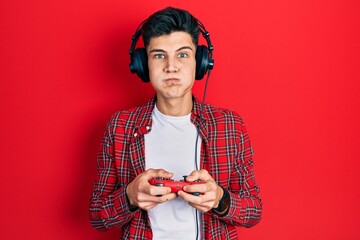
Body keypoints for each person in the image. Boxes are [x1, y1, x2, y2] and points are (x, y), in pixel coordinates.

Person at [89, 6, 262, 239]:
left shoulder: (229, 125)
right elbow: (97, 215)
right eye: (159, 55)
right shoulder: (120, 126)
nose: (171, 66)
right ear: (142, 65)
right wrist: (129, 196)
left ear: (200, 62)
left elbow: (253, 211)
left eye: (182, 54)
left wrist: (220, 198)